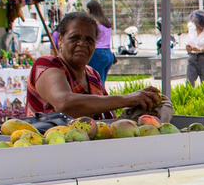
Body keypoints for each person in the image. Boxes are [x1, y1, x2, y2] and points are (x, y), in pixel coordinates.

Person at [26, 11, 165, 118]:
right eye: (74, 38)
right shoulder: (47, 65)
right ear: (61, 40)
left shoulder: (92, 75)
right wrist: (128, 99)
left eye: (89, 40)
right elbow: (64, 104)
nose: (82, 44)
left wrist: (140, 105)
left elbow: (105, 115)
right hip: (47, 152)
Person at [86, 0, 116, 85]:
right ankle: (103, 97)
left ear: (90, 10)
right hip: (108, 54)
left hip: (97, 53)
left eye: (87, 9)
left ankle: (99, 97)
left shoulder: (93, 22)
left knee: (95, 81)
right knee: (102, 81)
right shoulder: (106, 22)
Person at [184, 10, 204, 85]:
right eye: (196, 24)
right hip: (192, 57)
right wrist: (188, 48)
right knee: (189, 82)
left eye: (200, 24)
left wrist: (200, 50)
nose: (198, 26)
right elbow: (188, 42)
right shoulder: (191, 27)